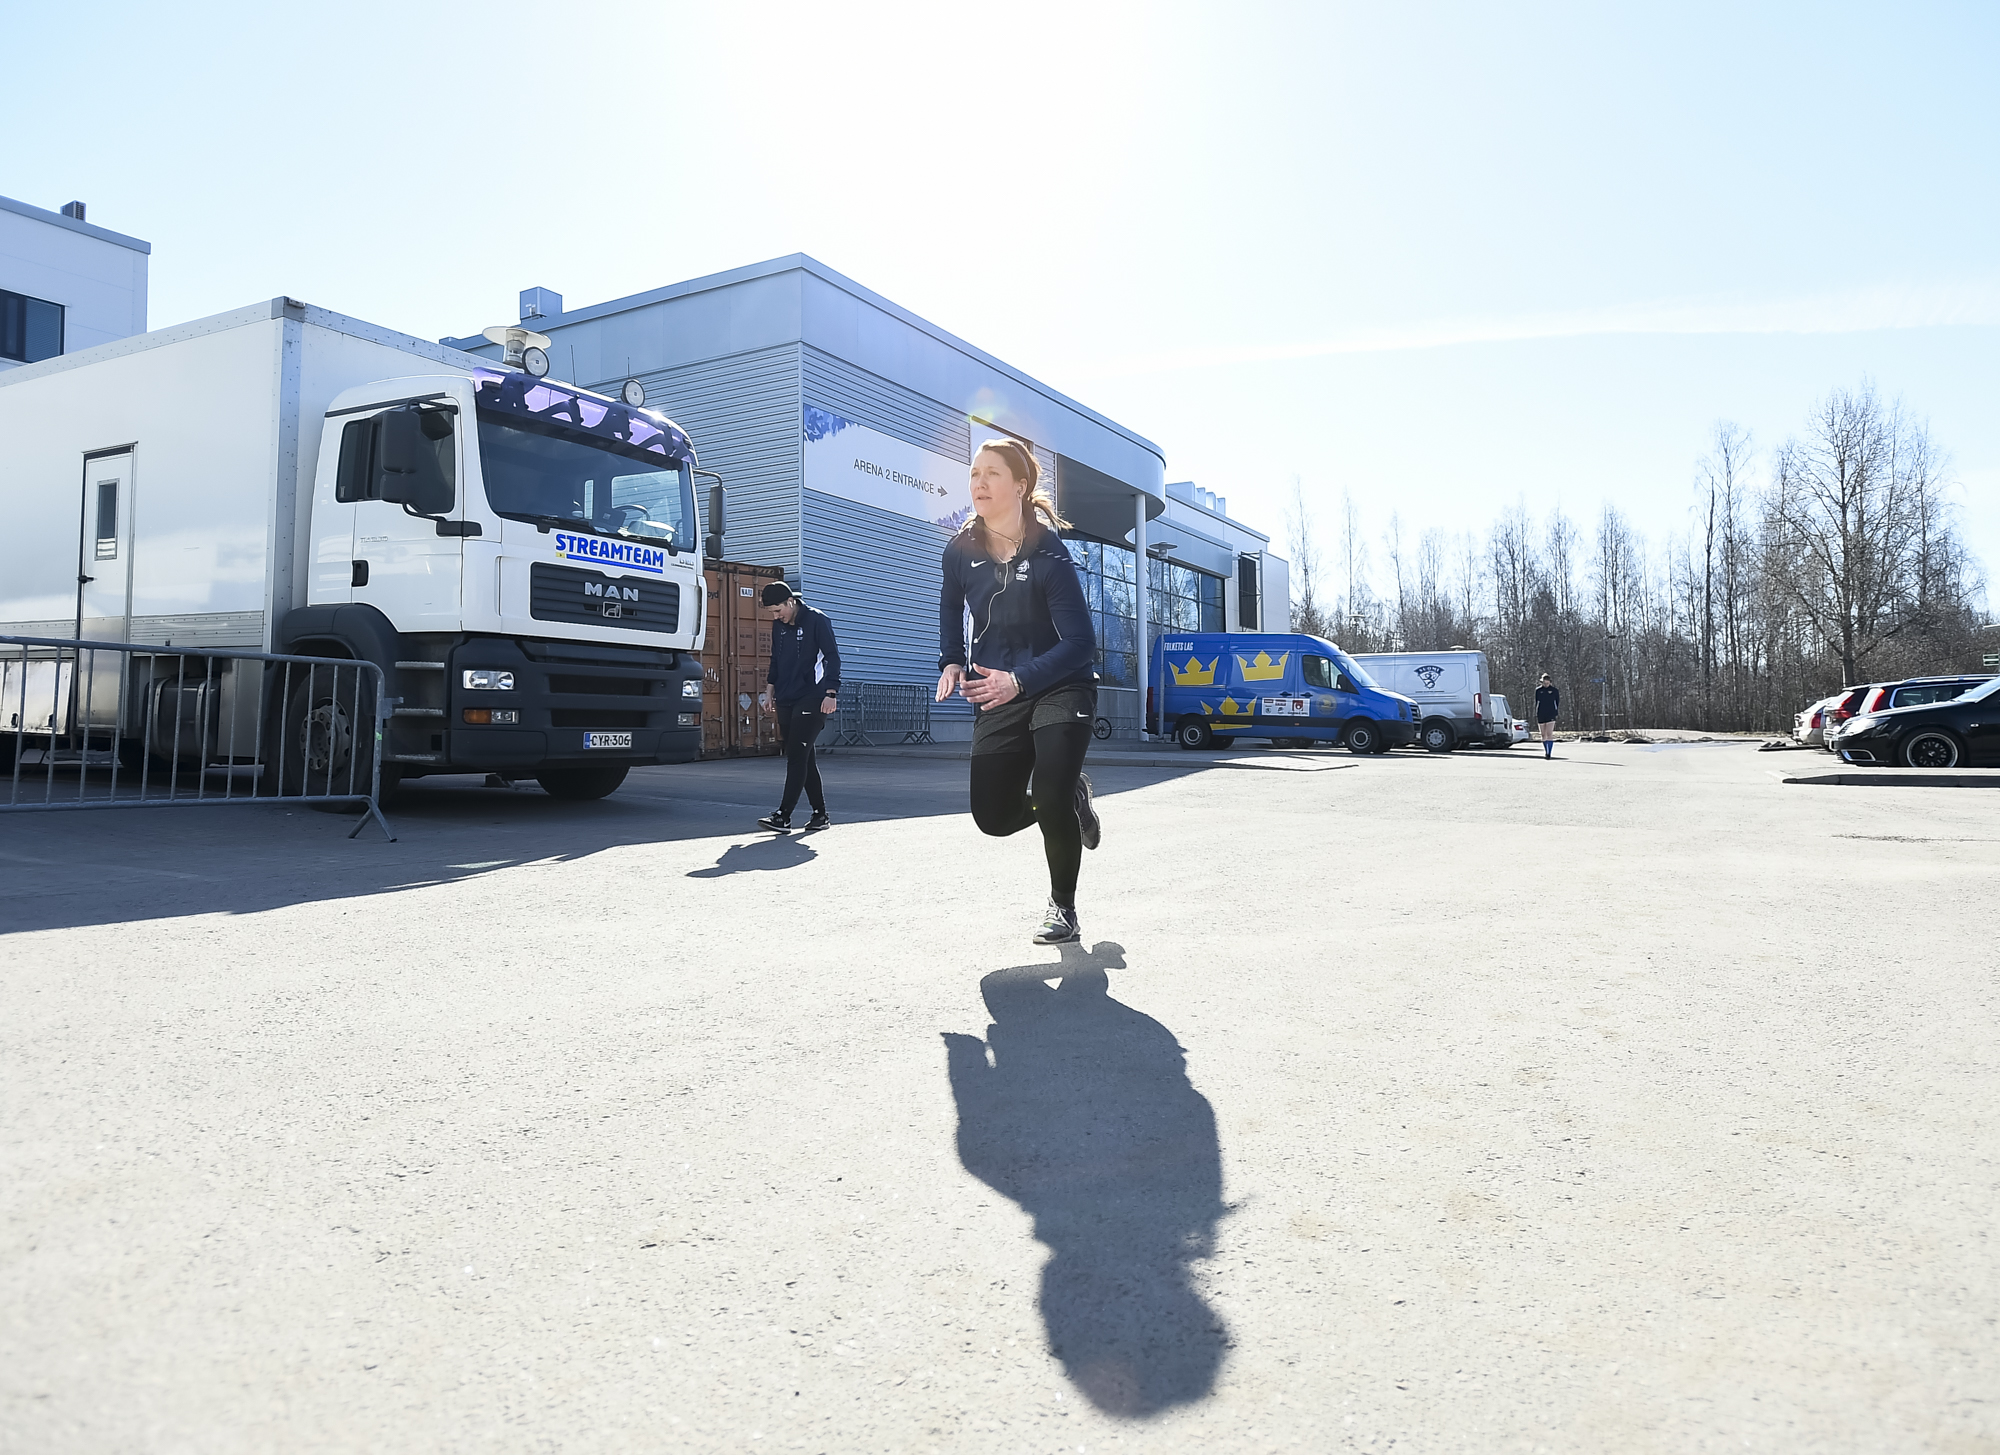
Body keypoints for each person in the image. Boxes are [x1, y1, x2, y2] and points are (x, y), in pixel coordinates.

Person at [937, 437, 1102, 945]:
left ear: (1020, 485)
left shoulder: (1050, 554)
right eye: (974, 473)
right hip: (996, 690)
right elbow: (950, 609)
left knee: (1048, 795)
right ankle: (1074, 796)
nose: (979, 482)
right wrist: (950, 660)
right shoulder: (960, 550)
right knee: (994, 817)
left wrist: (1020, 680)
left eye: (992, 473)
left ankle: (1063, 908)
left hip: (1060, 685)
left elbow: (1081, 644)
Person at [758, 581, 840, 832]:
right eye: (772, 612)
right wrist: (769, 692)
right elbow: (775, 660)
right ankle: (820, 815)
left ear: (790, 602)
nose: (776, 616)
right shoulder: (779, 627)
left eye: (778, 610)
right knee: (804, 758)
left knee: (795, 756)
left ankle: (783, 816)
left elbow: (832, 657)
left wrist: (831, 693)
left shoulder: (817, 620)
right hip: (786, 697)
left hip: (812, 697)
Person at [1535, 673, 1560, 758]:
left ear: (1550, 682)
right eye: (1544, 683)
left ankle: (1549, 753)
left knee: (1549, 733)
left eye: (1547, 682)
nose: (1546, 684)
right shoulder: (1538, 691)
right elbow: (1537, 702)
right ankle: (1546, 749)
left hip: (1551, 713)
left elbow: (1557, 702)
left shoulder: (1554, 691)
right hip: (1541, 714)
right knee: (1543, 734)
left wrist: (1555, 712)